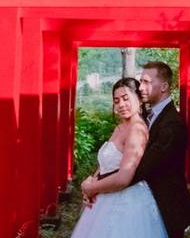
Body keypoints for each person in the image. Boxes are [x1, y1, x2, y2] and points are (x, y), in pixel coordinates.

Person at [80, 62, 190, 238]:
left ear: (164, 86)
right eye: (140, 82)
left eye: (146, 82)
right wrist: (96, 179)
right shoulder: (142, 118)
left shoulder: (172, 124)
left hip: (164, 206)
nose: (141, 87)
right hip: (135, 199)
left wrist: (94, 187)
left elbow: (140, 168)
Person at [70, 77, 168, 238]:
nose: (121, 104)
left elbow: (124, 177)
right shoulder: (120, 127)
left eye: (126, 98)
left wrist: (91, 188)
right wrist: (91, 181)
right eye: (116, 100)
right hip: (105, 195)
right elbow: (106, 164)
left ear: (139, 99)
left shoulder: (137, 130)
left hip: (127, 201)